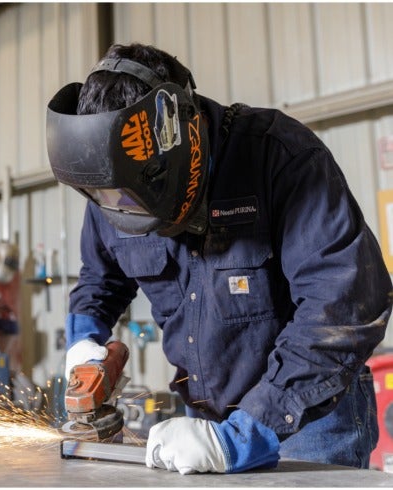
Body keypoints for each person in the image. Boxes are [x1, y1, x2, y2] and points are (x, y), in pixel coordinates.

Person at [46, 43, 393, 475]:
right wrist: (84, 341)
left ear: (179, 135)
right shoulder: (115, 185)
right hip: (206, 422)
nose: (122, 209)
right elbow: (101, 279)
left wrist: (243, 436)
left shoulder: (280, 157)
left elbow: (344, 302)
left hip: (308, 421)